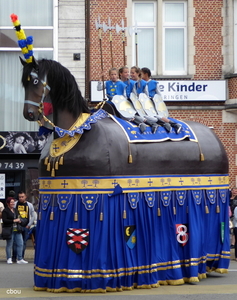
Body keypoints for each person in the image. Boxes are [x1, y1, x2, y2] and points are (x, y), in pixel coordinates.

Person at [140, 67, 182, 134]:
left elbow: (158, 94)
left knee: (157, 116)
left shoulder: (154, 83)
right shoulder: (141, 83)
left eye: (141, 74)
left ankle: (173, 124)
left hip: (152, 102)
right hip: (144, 103)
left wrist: (158, 103)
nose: (140, 76)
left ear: (146, 74)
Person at [2, 197, 28, 264]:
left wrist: (19, 220)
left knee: (20, 243)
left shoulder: (16, 210)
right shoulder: (5, 211)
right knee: (9, 244)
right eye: (11, 202)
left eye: (13, 202)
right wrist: (13, 220)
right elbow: (4, 220)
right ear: (8, 203)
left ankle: (20, 258)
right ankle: (9, 258)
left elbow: (18, 216)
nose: (13, 203)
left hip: (17, 229)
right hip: (10, 229)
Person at [14, 191, 35, 261]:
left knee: (24, 242)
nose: (21, 198)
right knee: (15, 242)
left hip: (26, 226)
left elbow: (33, 216)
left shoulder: (29, 205)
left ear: (25, 197)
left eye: (22, 197)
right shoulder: (15, 204)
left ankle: (21, 257)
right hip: (16, 225)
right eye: (19, 197)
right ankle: (14, 257)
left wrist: (29, 225)